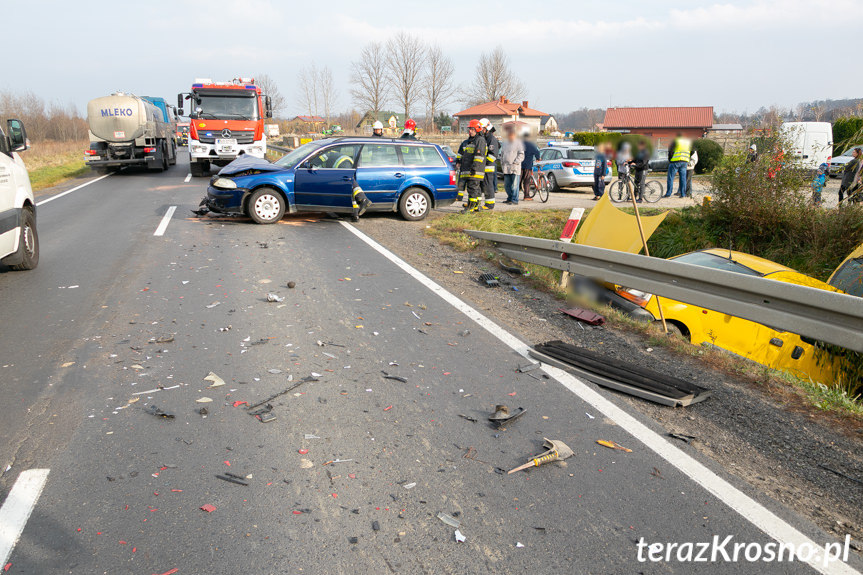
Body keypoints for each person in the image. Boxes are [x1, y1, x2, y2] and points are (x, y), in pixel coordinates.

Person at [457, 119, 487, 213]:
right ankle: (476, 206)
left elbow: (479, 156)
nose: (470, 131)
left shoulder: (480, 140)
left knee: (472, 189)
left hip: (475, 170)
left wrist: (474, 168)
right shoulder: (471, 141)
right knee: (476, 190)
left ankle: (470, 208)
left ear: (477, 130)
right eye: (469, 129)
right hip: (472, 170)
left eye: (472, 129)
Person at [500, 126, 525, 205]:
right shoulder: (505, 143)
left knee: (514, 185)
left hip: (515, 167)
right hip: (506, 167)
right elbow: (502, 154)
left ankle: (514, 199)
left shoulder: (519, 143)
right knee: (507, 185)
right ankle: (509, 198)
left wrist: (515, 162)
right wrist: (502, 163)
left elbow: (521, 155)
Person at [479, 118, 499, 210]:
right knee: (482, 186)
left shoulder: (491, 139)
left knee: (488, 185)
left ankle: (489, 204)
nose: (480, 130)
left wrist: (483, 162)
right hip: (483, 167)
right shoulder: (484, 138)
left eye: (481, 128)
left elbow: (493, 155)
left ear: (486, 128)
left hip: (488, 167)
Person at [520, 127, 541, 200]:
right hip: (527, 165)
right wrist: (538, 158)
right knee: (526, 181)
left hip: (518, 165)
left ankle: (514, 196)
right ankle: (526, 196)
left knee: (517, 181)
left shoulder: (519, 144)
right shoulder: (531, 145)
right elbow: (537, 152)